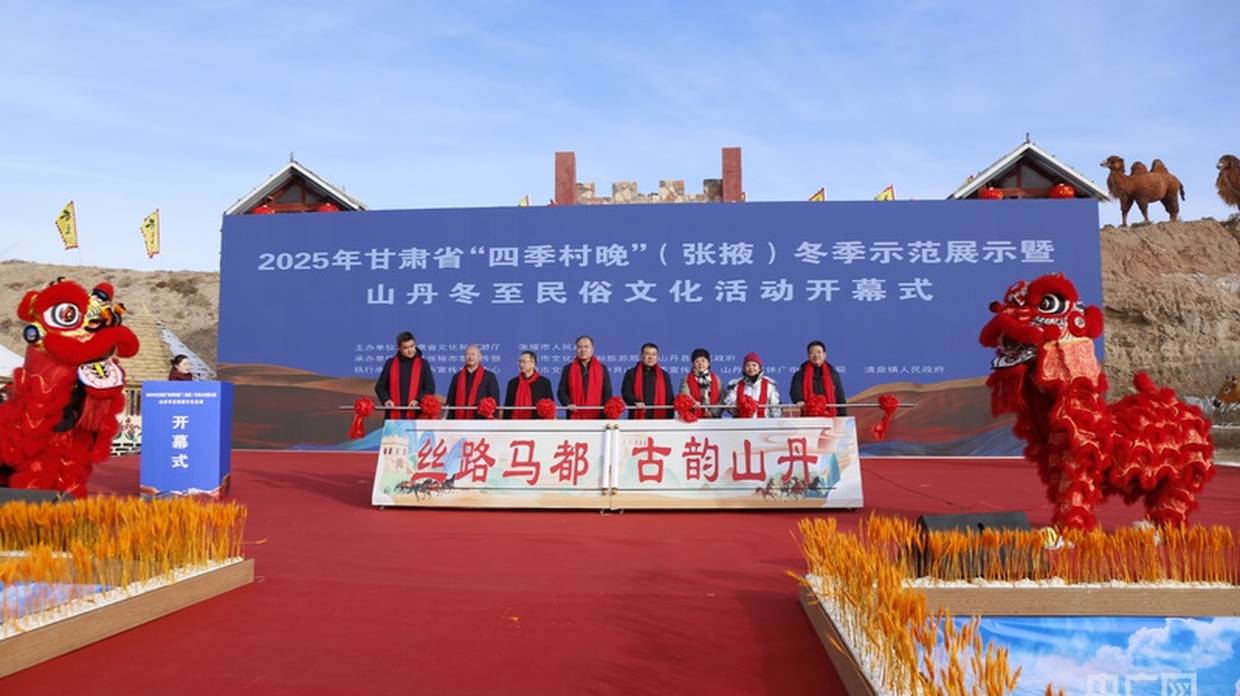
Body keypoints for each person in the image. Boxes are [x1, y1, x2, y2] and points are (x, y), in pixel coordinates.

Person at [374, 332, 436, 420]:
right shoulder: (390, 363)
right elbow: (380, 387)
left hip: (417, 415)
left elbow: (430, 388)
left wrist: (418, 400)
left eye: (412, 346)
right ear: (399, 348)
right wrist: (386, 400)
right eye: (405, 348)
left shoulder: (423, 364)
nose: (410, 350)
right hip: (393, 415)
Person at [557, 335, 613, 419]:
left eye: (586, 347)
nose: (583, 350)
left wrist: (601, 408)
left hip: (598, 415)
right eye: (579, 347)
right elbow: (561, 391)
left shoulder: (602, 368)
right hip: (574, 414)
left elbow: (608, 392)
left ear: (592, 349)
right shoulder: (568, 368)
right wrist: (568, 403)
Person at [789, 340, 847, 416]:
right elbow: (795, 391)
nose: (816, 355)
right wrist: (799, 400)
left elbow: (840, 397)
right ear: (808, 356)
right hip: (809, 416)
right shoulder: (800, 374)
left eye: (819, 352)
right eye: (812, 353)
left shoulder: (833, 374)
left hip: (831, 417)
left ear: (824, 355)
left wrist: (843, 415)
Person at [621, 343, 675, 419]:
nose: (650, 357)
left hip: (660, 418)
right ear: (641, 356)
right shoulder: (631, 373)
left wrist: (669, 418)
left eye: (654, 354)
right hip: (637, 416)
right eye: (647, 354)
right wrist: (636, 401)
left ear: (657, 357)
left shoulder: (664, 375)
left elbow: (669, 397)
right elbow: (626, 393)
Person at [445, 344, 500, 419]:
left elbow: (494, 400)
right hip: (459, 421)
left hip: (481, 420)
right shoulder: (457, 377)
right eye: (467, 355)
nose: (470, 357)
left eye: (473, 354)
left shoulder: (489, 376)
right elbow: (450, 401)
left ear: (480, 357)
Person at [724, 352, 782, 418]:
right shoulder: (736, 385)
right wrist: (740, 408)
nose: (751, 368)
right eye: (748, 365)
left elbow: (776, 407)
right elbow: (729, 403)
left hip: (763, 422)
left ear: (759, 368)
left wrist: (775, 422)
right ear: (744, 368)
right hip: (741, 422)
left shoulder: (769, 385)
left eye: (754, 365)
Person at [503, 351, 554, 419]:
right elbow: (507, 408)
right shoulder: (512, 383)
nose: (521, 364)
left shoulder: (544, 383)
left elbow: (550, 407)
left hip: (537, 423)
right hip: (515, 423)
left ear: (533, 363)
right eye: (520, 361)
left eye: (524, 362)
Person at [680, 348, 723, 418]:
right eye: (697, 361)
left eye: (703, 361)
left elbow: (722, 398)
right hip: (693, 416)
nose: (700, 364)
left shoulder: (717, 379)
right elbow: (685, 395)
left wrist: (713, 412)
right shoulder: (686, 379)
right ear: (693, 363)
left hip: (714, 418)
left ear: (708, 363)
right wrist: (695, 404)